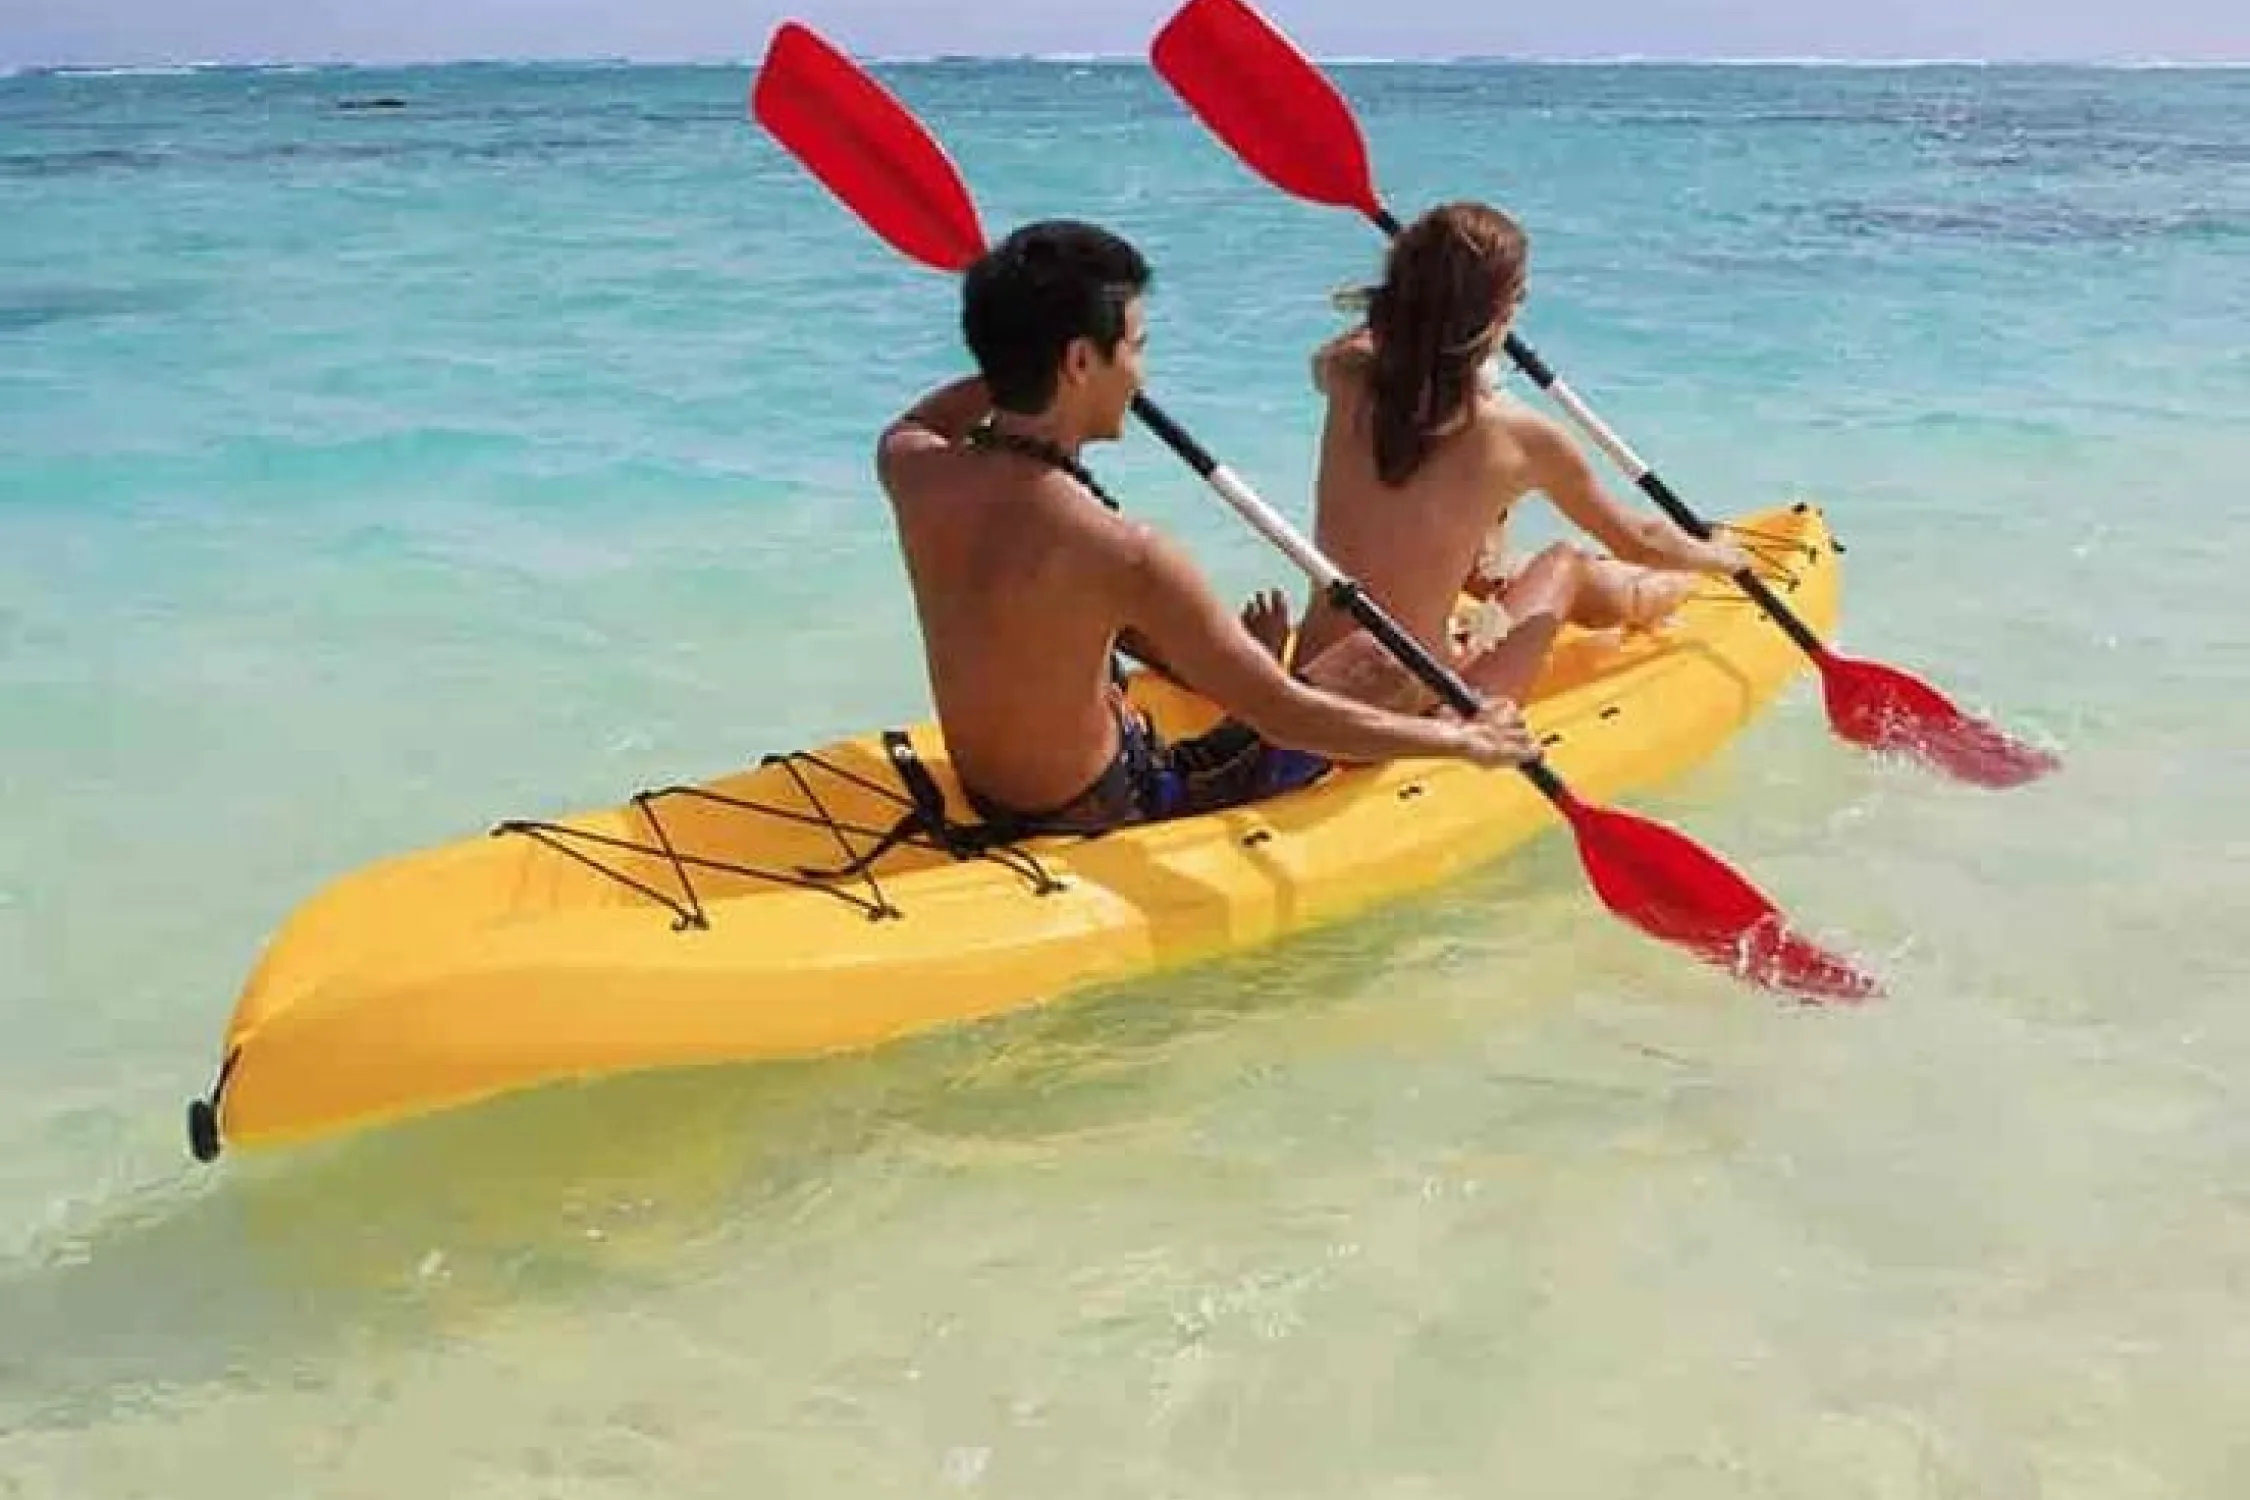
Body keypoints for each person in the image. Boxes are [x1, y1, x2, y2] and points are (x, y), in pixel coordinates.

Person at [872, 218, 1536, 836]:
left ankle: (1220, 656)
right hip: (1111, 804)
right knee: (1380, 660)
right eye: (1136, 348)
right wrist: (1463, 742)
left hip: (988, 787)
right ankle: (1233, 661)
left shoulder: (911, 467)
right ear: (1078, 363)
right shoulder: (1124, 550)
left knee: (1103, 613)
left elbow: (924, 421)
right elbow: (1284, 716)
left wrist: (1020, 352)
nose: (1142, 374)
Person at [1289, 201, 1753, 716]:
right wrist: (1723, 558)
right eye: (1519, 295)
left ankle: (1513, 579)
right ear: (1499, 311)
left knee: (1481, 546)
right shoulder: (1520, 436)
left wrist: (1412, 306)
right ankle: (1670, 593)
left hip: (1313, 680)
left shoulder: (1346, 373)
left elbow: (1363, 358)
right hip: (1417, 703)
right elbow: (1637, 538)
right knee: (1566, 564)